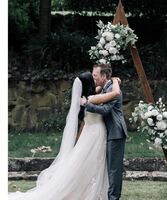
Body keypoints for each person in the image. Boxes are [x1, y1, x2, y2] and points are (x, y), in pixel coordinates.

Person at [8, 71, 121, 200]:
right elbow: (115, 94)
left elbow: (98, 90)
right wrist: (115, 81)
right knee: (94, 163)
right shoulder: (91, 99)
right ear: (90, 84)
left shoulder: (86, 97)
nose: (96, 81)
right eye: (93, 79)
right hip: (95, 134)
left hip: (90, 134)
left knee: (90, 162)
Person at [81, 64, 128, 200]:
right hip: (108, 132)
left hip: (115, 132)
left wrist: (86, 104)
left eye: (95, 75)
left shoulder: (113, 89)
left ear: (103, 76)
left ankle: (113, 198)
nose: (93, 77)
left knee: (114, 169)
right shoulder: (104, 87)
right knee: (108, 168)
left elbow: (105, 110)